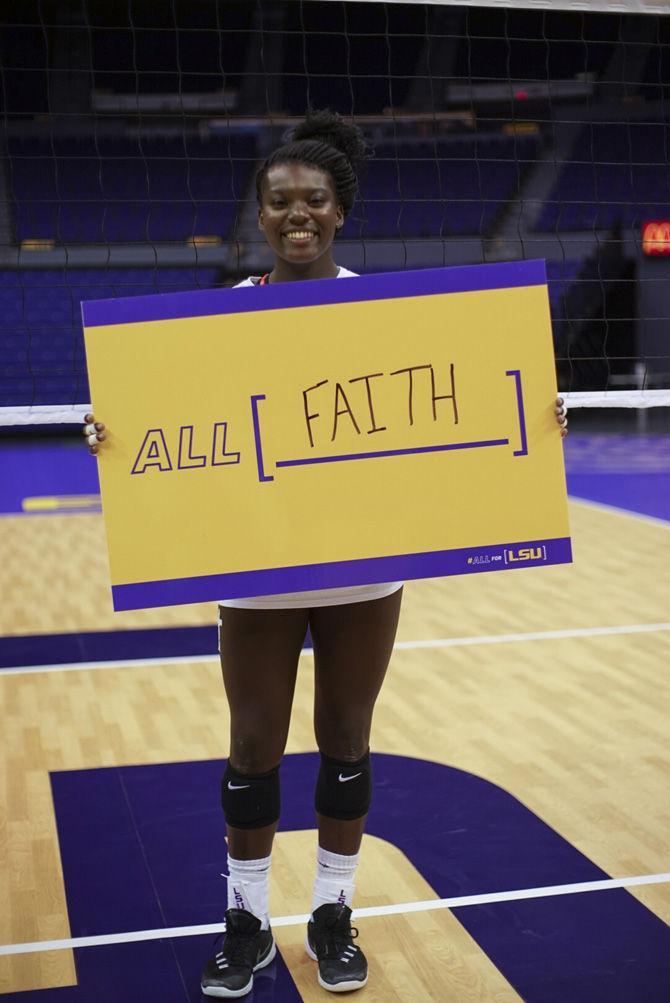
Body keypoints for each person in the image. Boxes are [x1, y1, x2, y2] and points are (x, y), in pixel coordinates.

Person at [83, 110, 569, 998]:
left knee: (346, 741)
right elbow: (175, 433)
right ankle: (246, 922)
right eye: (278, 202)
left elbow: (453, 415)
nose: (295, 213)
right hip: (259, 573)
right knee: (253, 746)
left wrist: (535, 417)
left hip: (362, 569)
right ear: (260, 215)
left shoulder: (380, 314)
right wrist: (112, 432)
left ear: (339, 211)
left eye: (312, 199)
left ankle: (334, 914)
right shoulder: (222, 314)